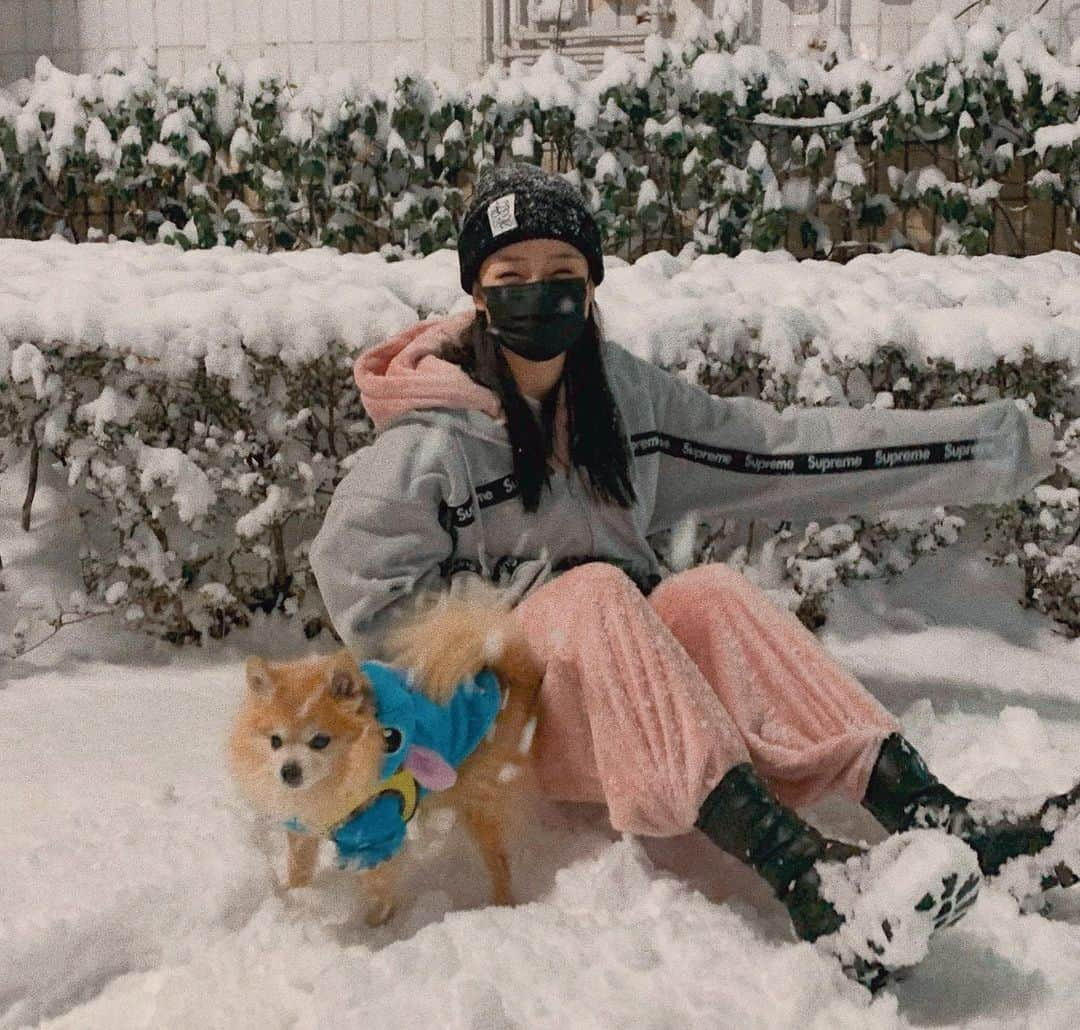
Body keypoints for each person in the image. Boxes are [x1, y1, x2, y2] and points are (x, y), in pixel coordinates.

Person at [310, 163, 1078, 990]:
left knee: (708, 594)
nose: (539, 296)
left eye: (562, 276)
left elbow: (783, 451)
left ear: (592, 285)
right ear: (477, 295)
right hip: (518, 724)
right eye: (511, 278)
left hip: (628, 685)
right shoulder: (433, 443)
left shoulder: (625, 401)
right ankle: (809, 876)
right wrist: (454, 686)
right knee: (599, 592)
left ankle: (929, 808)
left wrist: (983, 448)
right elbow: (359, 573)